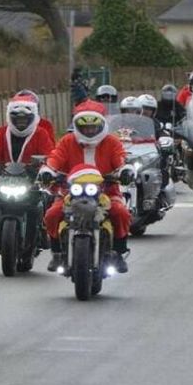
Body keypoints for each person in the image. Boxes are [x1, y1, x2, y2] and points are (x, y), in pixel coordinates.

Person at [40, 101, 132, 274]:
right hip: (70, 192)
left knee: (121, 213)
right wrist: (48, 171)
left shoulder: (112, 142)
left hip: (107, 191)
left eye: (93, 126)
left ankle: (118, 253)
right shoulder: (67, 141)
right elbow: (55, 158)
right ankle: (57, 253)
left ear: (101, 124)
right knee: (52, 214)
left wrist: (125, 170)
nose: (89, 130)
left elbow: (121, 158)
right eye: (85, 127)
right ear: (77, 126)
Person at [0, 92, 55, 166]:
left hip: (33, 172)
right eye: (18, 119)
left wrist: (46, 165)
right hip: (4, 172)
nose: (21, 122)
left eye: (24, 119)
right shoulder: (2, 132)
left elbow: (49, 155)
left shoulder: (41, 133)